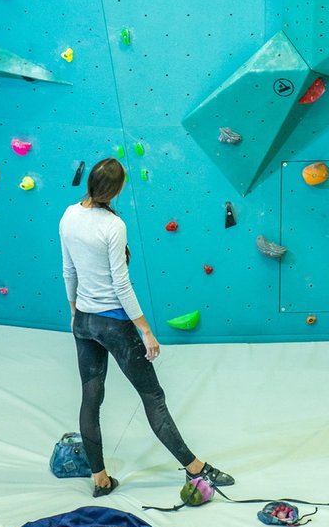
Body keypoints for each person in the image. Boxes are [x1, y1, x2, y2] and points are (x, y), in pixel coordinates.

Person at [59, 157, 233, 496]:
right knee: (153, 397)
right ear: (117, 190)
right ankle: (195, 468)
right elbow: (121, 284)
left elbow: (68, 271)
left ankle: (100, 479)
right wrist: (145, 330)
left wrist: (74, 312)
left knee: (90, 397)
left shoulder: (68, 216)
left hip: (84, 320)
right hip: (114, 324)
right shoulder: (113, 226)